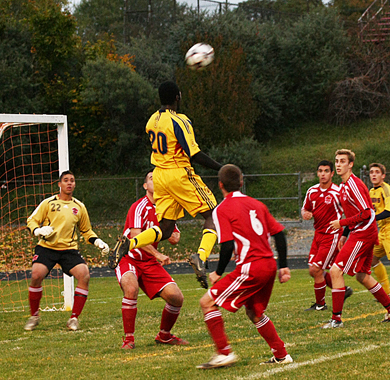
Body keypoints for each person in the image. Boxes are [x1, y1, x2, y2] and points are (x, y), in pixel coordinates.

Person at [110, 81, 222, 289]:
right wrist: (221, 168)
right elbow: (194, 153)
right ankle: (201, 256)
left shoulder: (152, 120)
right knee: (213, 215)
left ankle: (129, 243)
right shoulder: (179, 121)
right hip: (178, 173)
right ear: (177, 97)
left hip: (159, 174)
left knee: (167, 228)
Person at [196, 164, 293, 369]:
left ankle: (223, 353)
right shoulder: (257, 204)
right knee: (255, 312)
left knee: (207, 302)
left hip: (252, 266)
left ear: (220, 185)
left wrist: (217, 272)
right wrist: (283, 266)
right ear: (241, 182)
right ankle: (281, 354)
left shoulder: (222, 208)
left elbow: (227, 245)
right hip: (269, 265)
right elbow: (279, 235)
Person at [24, 170, 109, 331]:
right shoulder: (48, 203)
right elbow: (32, 220)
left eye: (72, 180)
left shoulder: (79, 206)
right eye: (66, 180)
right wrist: (38, 231)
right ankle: (34, 316)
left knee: (84, 275)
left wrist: (98, 241)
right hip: (47, 248)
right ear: (59, 184)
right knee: (36, 275)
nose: (69, 183)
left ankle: (74, 318)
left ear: (75, 184)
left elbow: (86, 231)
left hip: (69, 250)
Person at [116, 169, 188, 349]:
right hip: (129, 258)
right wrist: (158, 254)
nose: (155, 180)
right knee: (131, 289)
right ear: (145, 186)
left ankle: (164, 336)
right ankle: (129, 340)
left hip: (148, 262)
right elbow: (135, 237)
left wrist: (172, 236)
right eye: (151, 178)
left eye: (158, 178)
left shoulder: (166, 209)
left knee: (176, 297)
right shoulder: (138, 206)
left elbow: (175, 236)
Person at [326, 149, 390, 328]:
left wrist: (342, 223)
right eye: (337, 161)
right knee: (362, 276)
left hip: (364, 233)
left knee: (336, 270)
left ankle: (336, 319)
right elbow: (356, 212)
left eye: (342, 161)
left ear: (350, 164)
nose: (338, 164)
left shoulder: (353, 184)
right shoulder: (344, 186)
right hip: (361, 232)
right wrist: (345, 233)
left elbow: (367, 213)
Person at [301, 160, 352, 311]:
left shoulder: (338, 192)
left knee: (317, 269)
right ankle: (342, 290)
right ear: (317, 173)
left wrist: (344, 230)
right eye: (320, 171)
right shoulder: (311, 191)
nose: (323, 174)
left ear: (332, 174)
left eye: (326, 171)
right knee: (313, 271)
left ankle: (320, 305)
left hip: (332, 236)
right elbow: (304, 209)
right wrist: (306, 214)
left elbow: (349, 213)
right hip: (318, 235)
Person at [369, 163, 390, 296]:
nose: (374, 174)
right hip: (381, 232)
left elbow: (389, 211)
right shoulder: (371, 192)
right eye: (371, 172)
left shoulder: (386, 189)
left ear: (383, 175)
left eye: (377, 172)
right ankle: (387, 292)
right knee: (372, 259)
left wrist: (371, 218)